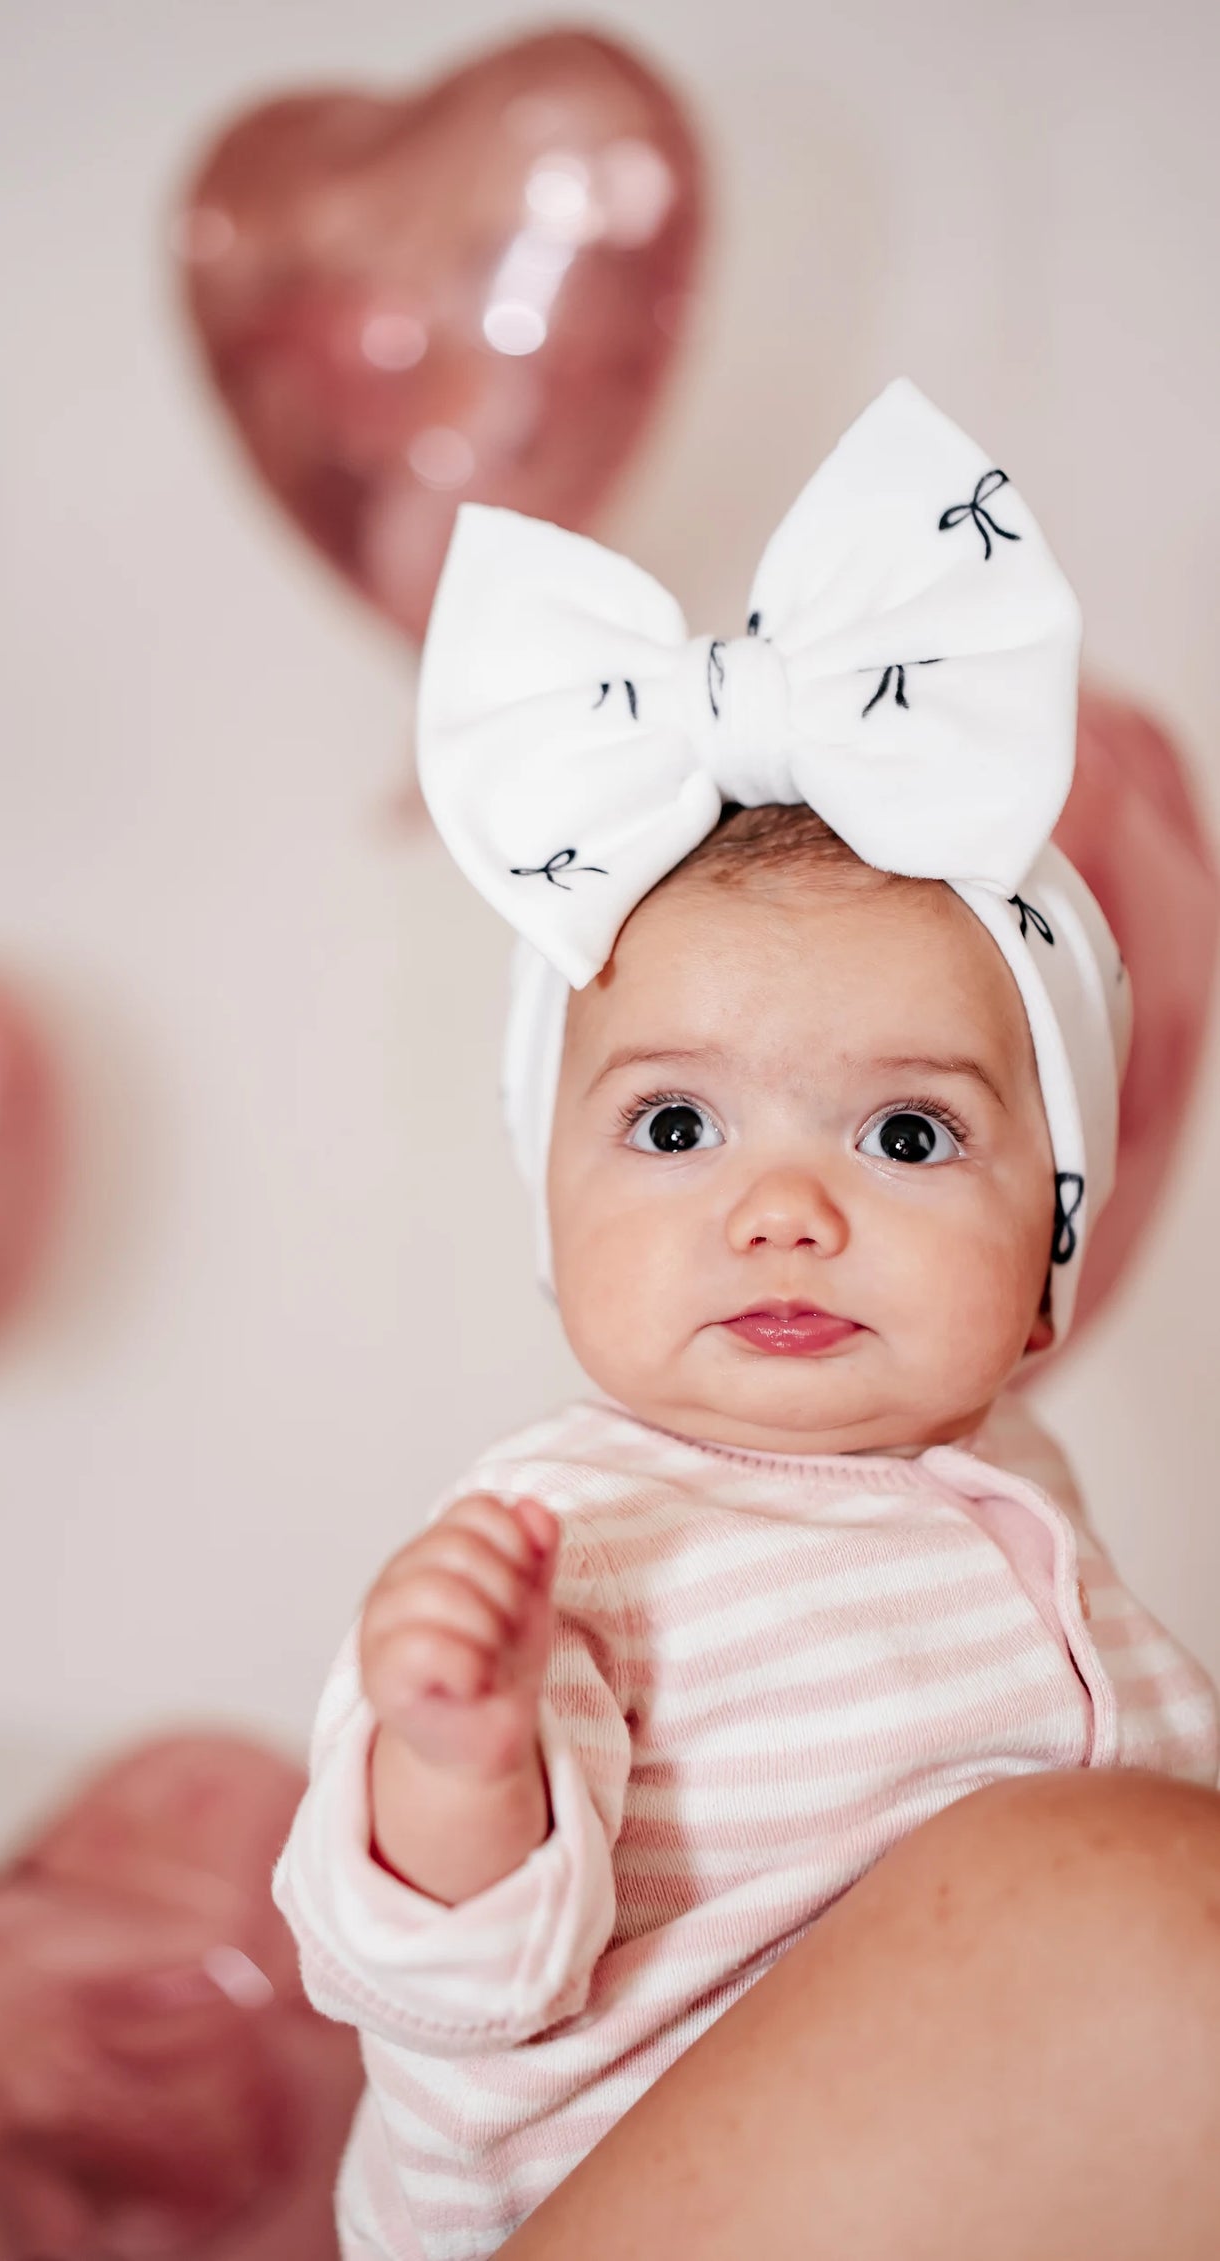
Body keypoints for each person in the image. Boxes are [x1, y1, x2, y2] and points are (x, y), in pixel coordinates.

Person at [272, 382, 1220, 2261]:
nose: (783, 1206)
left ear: (1048, 1253)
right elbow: (433, 1973)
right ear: (552, 1215)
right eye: (678, 1124)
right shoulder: (573, 1539)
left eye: (904, 1130)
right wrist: (452, 1768)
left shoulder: (1002, 1493)